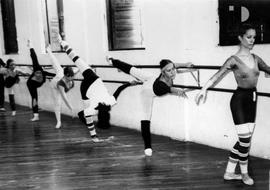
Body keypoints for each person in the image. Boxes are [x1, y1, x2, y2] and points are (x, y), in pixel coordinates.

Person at [195, 23, 270, 186]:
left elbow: (268, 69)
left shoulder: (256, 58)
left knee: (245, 140)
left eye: (254, 37)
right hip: (239, 100)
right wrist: (204, 89)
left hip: (253, 98)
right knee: (245, 141)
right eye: (249, 37)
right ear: (240, 38)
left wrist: (266, 72)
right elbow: (218, 75)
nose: (252, 40)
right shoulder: (233, 60)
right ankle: (244, 174)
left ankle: (229, 172)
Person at [107, 57, 193, 156]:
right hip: (147, 92)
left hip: (150, 78)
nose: (173, 72)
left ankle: (115, 63)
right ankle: (148, 146)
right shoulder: (162, 85)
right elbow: (171, 89)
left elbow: (173, 65)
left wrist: (185, 64)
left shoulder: (166, 72)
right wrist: (179, 91)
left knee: (134, 70)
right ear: (163, 72)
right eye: (169, 71)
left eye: (173, 69)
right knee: (146, 118)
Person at [57, 35, 116, 142]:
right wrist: (94, 137)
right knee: (86, 113)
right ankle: (62, 42)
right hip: (87, 85)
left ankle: (62, 42)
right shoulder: (96, 108)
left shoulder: (110, 102)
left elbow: (73, 56)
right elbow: (89, 120)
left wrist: (62, 42)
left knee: (76, 58)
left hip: (91, 78)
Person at [46, 45, 76, 129]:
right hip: (54, 86)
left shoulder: (65, 72)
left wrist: (90, 68)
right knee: (57, 103)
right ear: (66, 75)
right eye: (70, 77)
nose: (72, 78)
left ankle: (48, 50)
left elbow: (54, 61)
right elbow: (64, 97)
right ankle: (58, 121)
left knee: (56, 65)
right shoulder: (61, 83)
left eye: (72, 76)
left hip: (61, 78)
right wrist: (71, 108)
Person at [26, 40, 55, 121]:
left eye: (40, 73)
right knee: (34, 98)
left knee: (36, 62)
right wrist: (30, 46)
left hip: (38, 82)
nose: (38, 74)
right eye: (37, 73)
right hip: (31, 84)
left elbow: (56, 75)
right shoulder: (36, 72)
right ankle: (36, 115)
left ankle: (36, 114)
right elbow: (33, 57)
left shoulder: (43, 72)